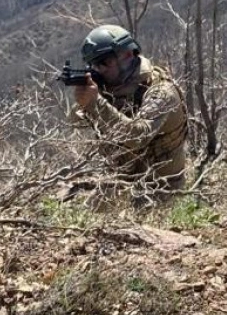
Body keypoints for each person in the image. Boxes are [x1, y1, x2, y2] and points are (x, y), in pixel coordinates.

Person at [69, 24, 188, 193]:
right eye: (94, 64)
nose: (99, 69)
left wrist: (97, 103)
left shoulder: (161, 91)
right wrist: (84, 101)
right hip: (121, 182)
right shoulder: (109, 87)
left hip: (161, 188)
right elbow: (75, 123)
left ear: (127, 54)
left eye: (105, 62)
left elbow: (139, 135)